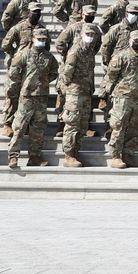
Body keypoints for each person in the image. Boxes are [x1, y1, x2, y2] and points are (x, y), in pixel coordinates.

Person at [8, 26, 59, 169]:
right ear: (33, 39)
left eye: (44, 39)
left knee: (38, 129)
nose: (41, 42)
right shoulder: (24, 55)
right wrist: (24, 84)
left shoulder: (49, 57)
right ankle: (13, 156)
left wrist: (43, 82)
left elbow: (55, 72)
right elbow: (14, 74)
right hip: (26, 97)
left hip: (42, 97)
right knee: (19, 127)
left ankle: (34, 157)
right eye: (39, 39)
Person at [102, 27, 138, 170]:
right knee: (119, 126)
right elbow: (111, 75)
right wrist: (109, 93)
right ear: (130, 41)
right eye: (135, 40)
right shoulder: (121, 56)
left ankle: (127, 154)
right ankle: (116, 156)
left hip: (137, 98)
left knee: (134, 128)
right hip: (122, 98)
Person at [59, 21, 101, 166]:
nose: (90, 37)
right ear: (81, 34)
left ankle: (76, 153)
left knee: (82, 125)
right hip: (75, 93)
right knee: (72, 124)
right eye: (87, 34)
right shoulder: (75, 50)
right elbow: (67, 73)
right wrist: (70, 91)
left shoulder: (89, 51)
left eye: (92, 34)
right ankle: (68, 155)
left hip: (86, 92)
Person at [1, 4, 44, 136]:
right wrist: (16, 54)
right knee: (12, 93)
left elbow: (45, 47)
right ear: (28, 12)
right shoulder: (19, 27)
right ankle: (7, 124)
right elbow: (5, 44)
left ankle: (24, 124)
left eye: (38, 12)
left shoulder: (41, 29)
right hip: (18, 67)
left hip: (33, 68)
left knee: (28, 96)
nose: (36, 14)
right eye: (34, 12)